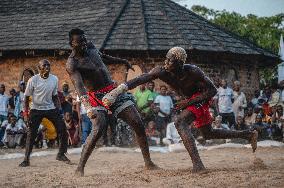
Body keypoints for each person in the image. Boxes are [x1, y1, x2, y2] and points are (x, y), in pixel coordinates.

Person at [103, 46, 258, 172]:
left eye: (170, 60)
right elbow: (140, 79)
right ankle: (248, 135)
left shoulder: (193, 71)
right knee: (209, 133)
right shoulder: (161, 71)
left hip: (200, 97)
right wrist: (118, 90)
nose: (166, 62)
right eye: (166, 59)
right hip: (190, 101)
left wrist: (189, 102)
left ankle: (198, 165)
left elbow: (212, 91)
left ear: (179, 63)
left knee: (180, 122)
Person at [66, 28, 156, 176]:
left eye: (84, 39)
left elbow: (103, 57)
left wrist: (122, 61)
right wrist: (88, 107)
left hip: (113, 91)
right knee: (98, 129)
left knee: (137, 122)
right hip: (95, 97)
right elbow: (79, 86)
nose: (83, 43)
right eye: (79, 42)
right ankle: (80, 168)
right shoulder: (72, 63)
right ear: (71, 44)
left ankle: (148, 162)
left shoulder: (90, 46)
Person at [19, 59, 70, 167]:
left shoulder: (54, 79)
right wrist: (25, 114)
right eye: (44, 65)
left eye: (48, 65)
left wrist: (60, 110)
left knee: (62, 129)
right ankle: (26, 159)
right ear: (39, 68)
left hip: (50, 108)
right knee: (31, 134)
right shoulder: (33, 80)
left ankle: (61, 154)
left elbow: (55, 96)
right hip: (36, 109)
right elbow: (26, 97)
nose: (47, 66)